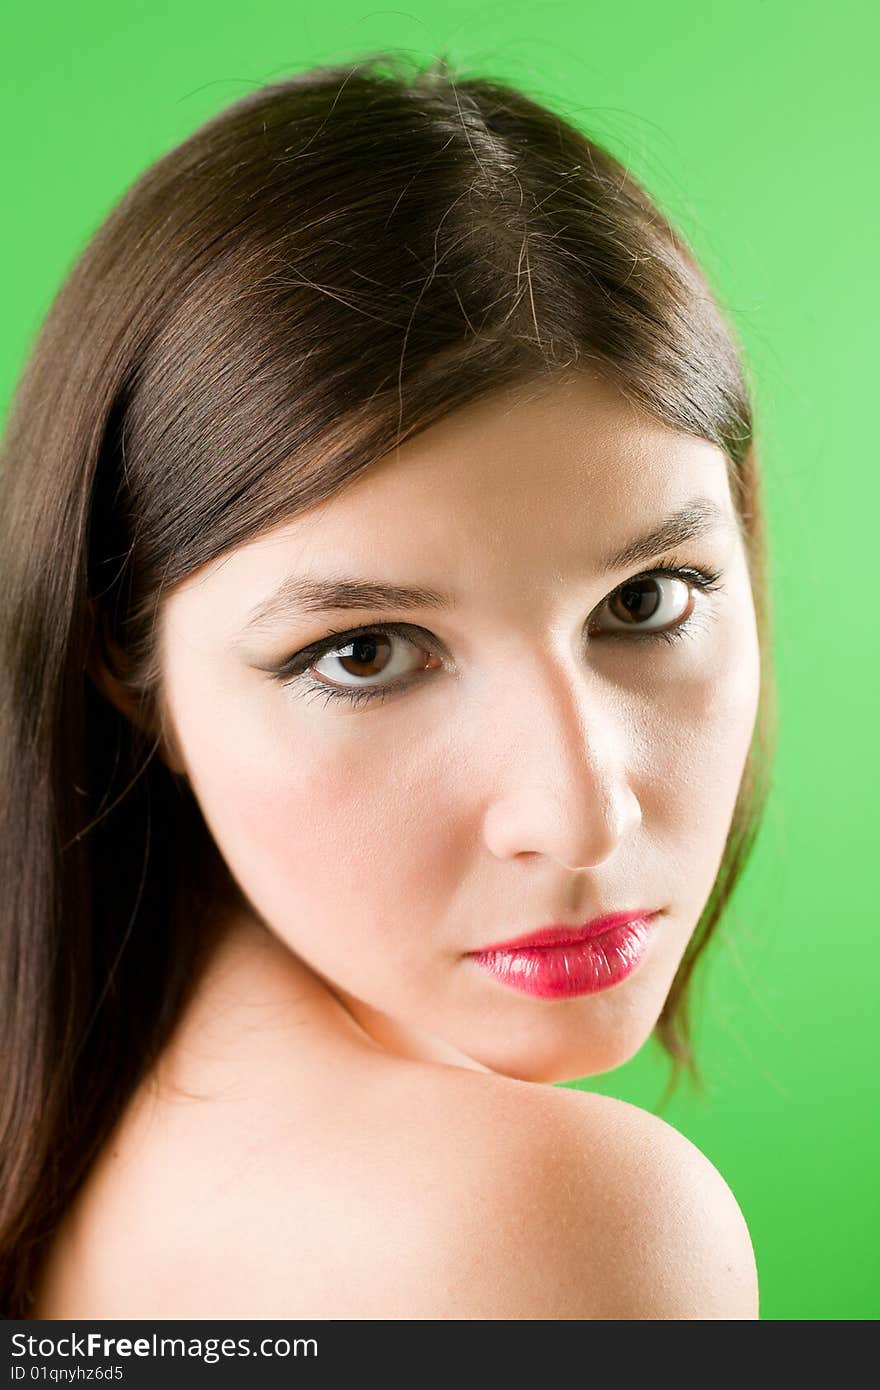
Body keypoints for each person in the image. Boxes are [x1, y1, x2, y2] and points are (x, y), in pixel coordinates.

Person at [0, 51, 776, 1319]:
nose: (582, 816)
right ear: (127, 671)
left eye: (645, 601)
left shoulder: (71, 1136)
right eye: (364, 652)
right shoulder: (568, 1234)